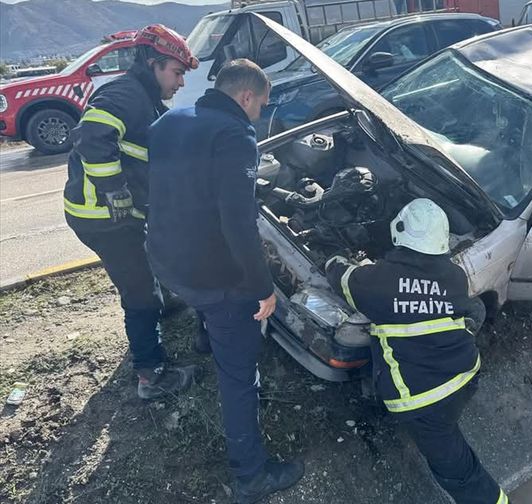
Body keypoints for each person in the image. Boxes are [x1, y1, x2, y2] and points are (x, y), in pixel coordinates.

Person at [145, 59, 304, 504]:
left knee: (208, 310)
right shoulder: (236, 135)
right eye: (262, 105)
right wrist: (262, 287)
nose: (260, 114)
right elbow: (237, 223)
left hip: (165, 258)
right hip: (210, 275)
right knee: (239, 377)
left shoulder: (169, 120)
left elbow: (166, 187)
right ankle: (251, 476)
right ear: (246, 96)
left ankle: (205, 336)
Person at [326, 198, 509, 504]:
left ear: (399, 230)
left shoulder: (376, 281)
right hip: (465, 375)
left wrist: (333, 256)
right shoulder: (454, 276)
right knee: (447, 430)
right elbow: (466, 309)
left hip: (423, 400)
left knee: (457, 469)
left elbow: (340, 277)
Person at [63, 24, 200, 400]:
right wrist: (116, 192)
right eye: (177, 73)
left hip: (115, 215)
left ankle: (160, 307)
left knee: (148, 261)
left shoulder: (145, 98)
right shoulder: (126, 95)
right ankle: (151, 375)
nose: (180, 83)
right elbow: (92, 137)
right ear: (154, 63)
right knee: (138, 291)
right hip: (104, 218)